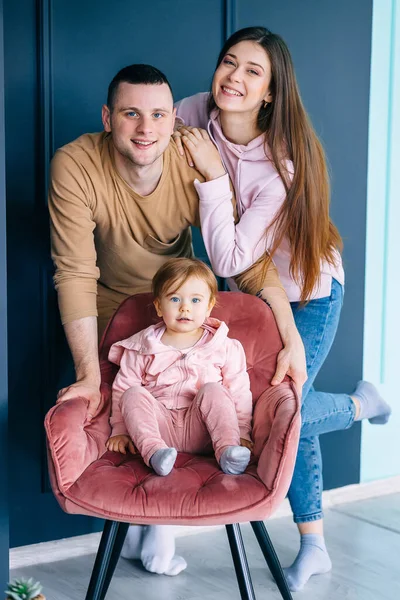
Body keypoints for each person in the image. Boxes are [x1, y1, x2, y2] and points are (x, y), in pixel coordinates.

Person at [48, 63, 304, 576]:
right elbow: (74, 271)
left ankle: (155, 533)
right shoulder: (74, 163)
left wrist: (290, 336)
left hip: (175, 302)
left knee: (191, 392)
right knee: (132, 404)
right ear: (108, 117)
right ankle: (144, 527)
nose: (146, 128)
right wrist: (88, 374)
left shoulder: (193, 159)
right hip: (110, 308)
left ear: (174, 121)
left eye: (158, 115)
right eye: (131, 114)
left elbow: (245, 259)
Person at [172, 27, 392, 591]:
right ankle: (315, 544)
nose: (234, 78)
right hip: (251, 292)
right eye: (229, 62)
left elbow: (229, 252)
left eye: (253, 72)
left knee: (278, 414)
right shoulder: (195, 111)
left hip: (310, 293)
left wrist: (215, 177)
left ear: (271, 92)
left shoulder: (282, 164)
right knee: (282, 413)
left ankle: (355, 406)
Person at [106, 257, 253, 478]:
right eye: (175, 299)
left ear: (209, 306)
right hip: (158, 428)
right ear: (158, 305)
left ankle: (227, 451)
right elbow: (121, 390)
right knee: (132, 393)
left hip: (205, 430)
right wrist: (120, 430)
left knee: (214, 390)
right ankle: (155, 454)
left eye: (195, 300)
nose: (185, 307)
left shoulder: (224, 346)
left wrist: (242, 431)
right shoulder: (142, 347)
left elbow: (239, 391)